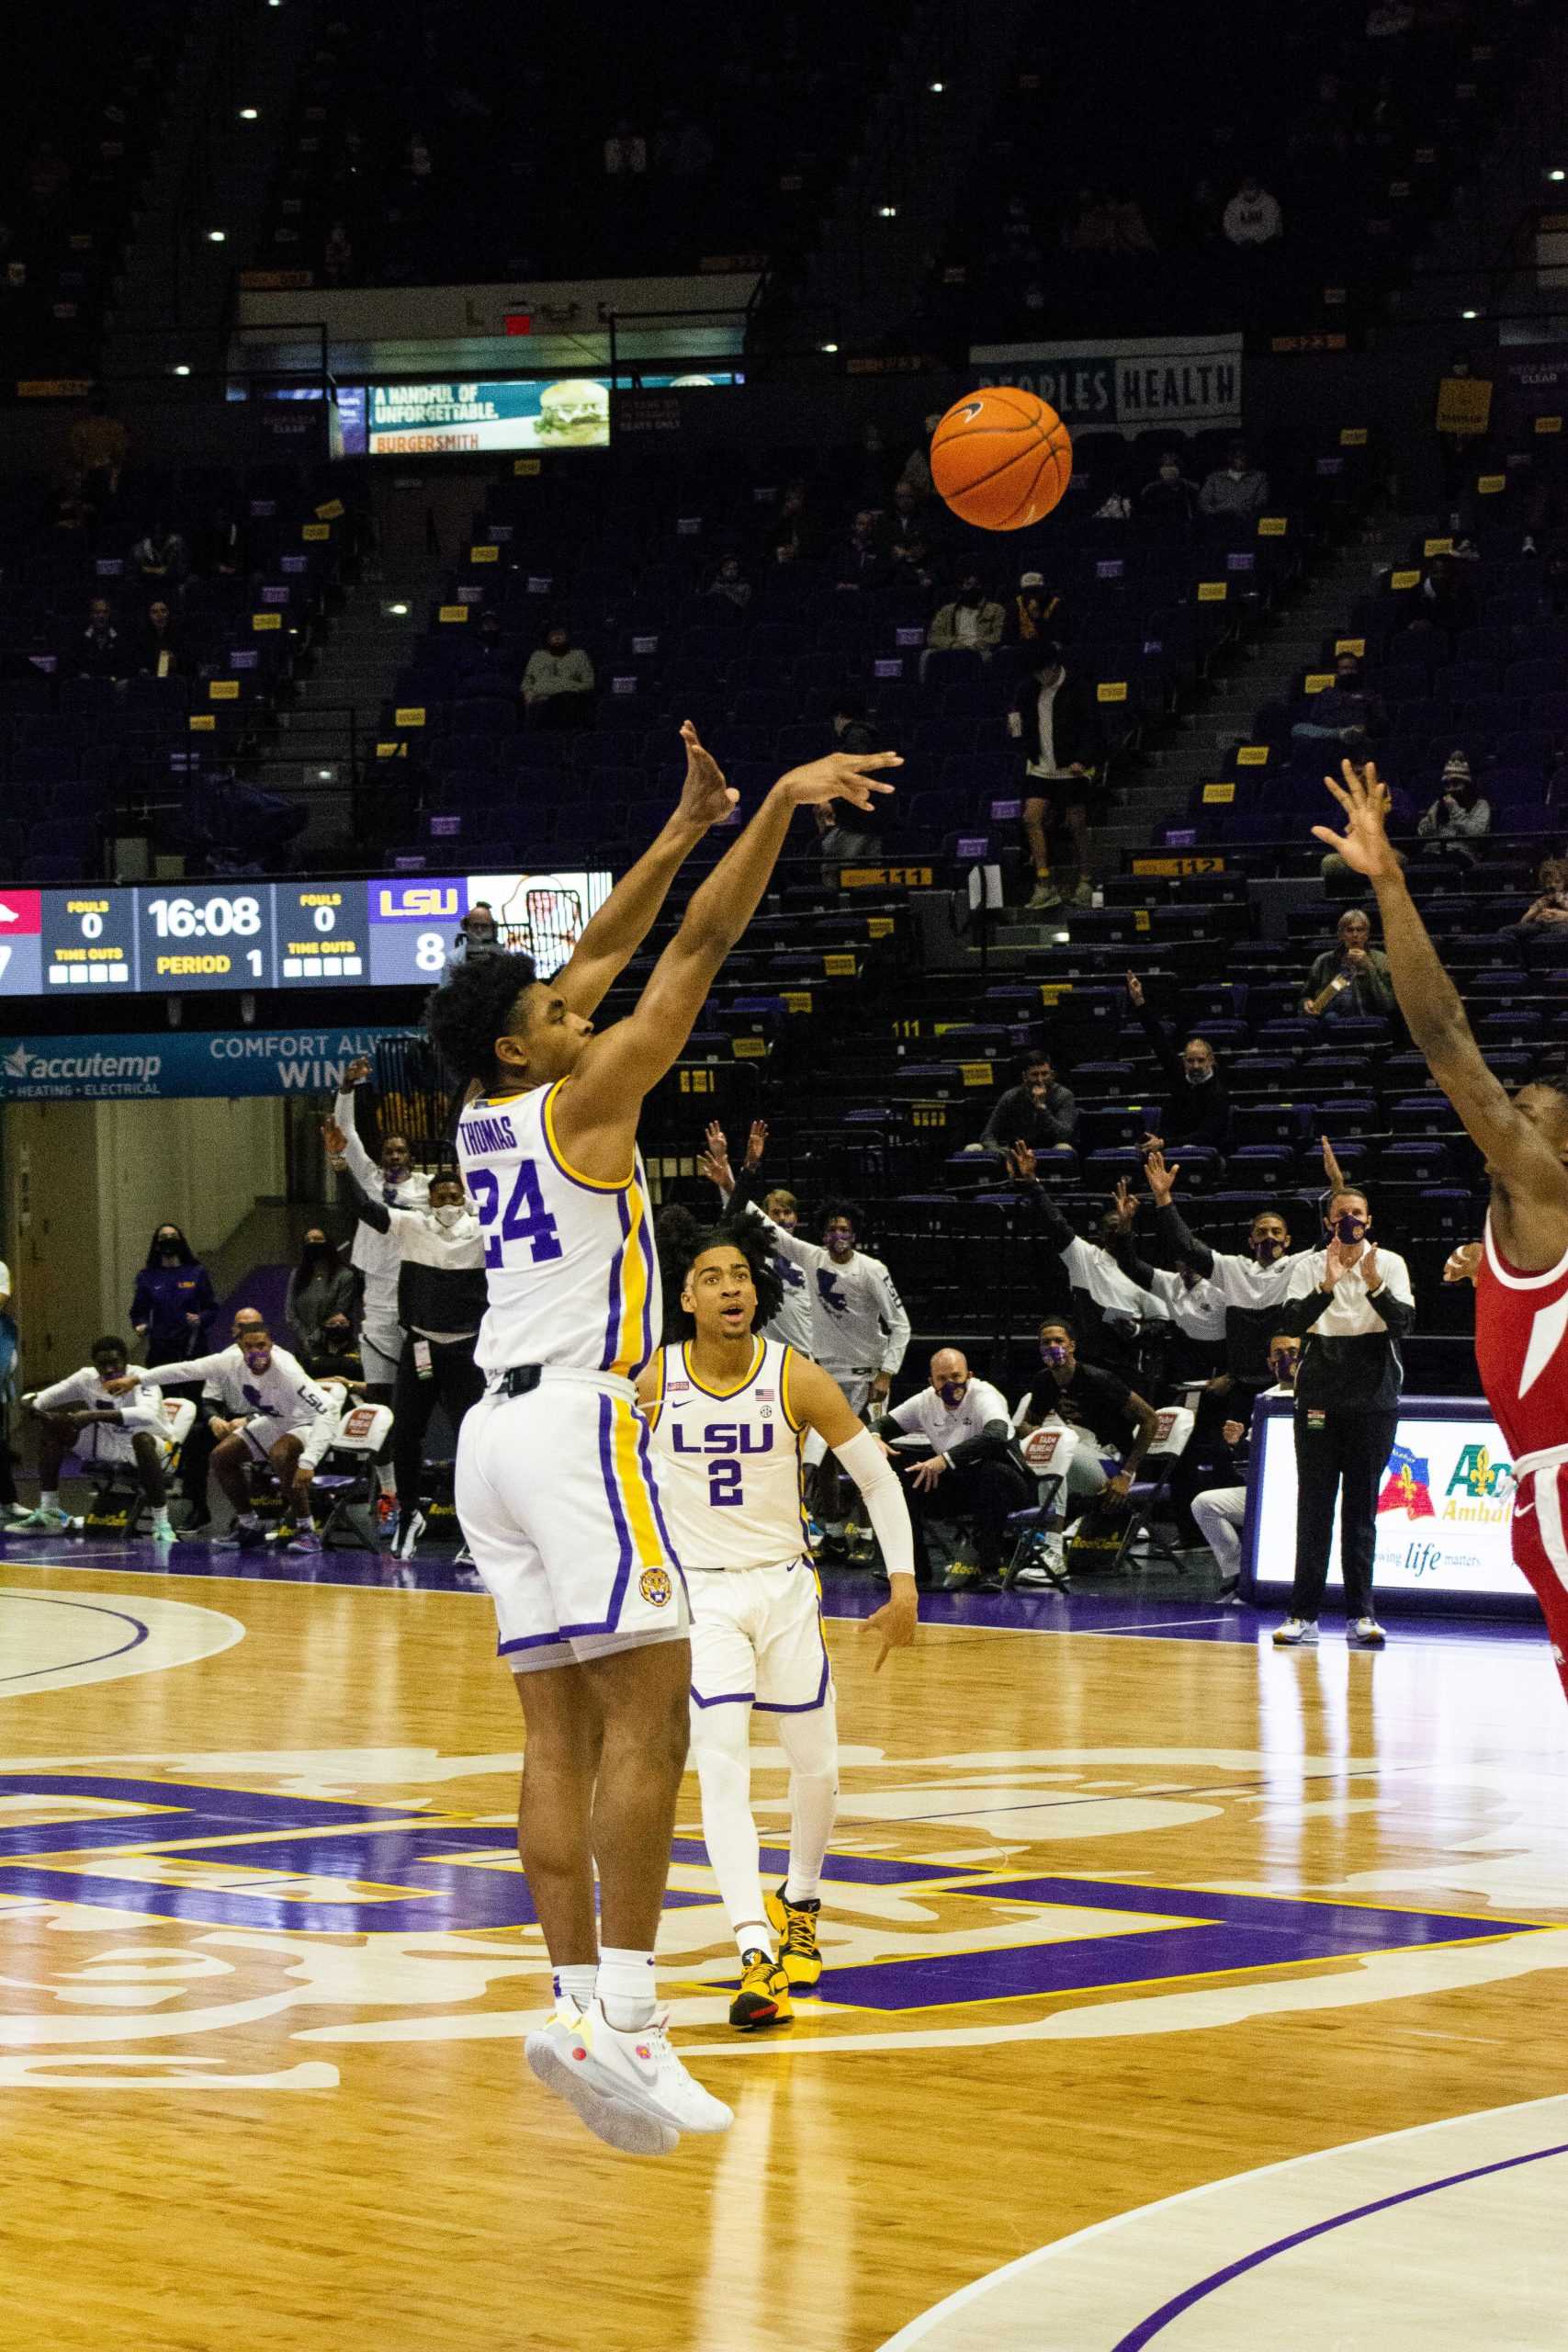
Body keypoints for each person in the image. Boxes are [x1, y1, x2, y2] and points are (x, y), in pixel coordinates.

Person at [425, 719, 897, 2154]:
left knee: (553, 1734)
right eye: (560, 1008)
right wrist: (776, 813)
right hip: (574, 1426)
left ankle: (571, 1998)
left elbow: (597, 954)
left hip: (486, 1446)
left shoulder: (484, 1101)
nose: (585, 1005)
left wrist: (682, 817)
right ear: (529, 1044)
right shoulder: (585, 1096)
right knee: (653, 1718)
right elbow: (685, 954)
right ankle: (629, 2015)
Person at [1313, 757, 1568, 1703]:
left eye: (1534, 1112)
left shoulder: (1545, 1190)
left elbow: (1449, 1040)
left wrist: (1389, 884)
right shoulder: (1516, 1233)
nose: (1514, 1115)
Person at [642, 1209, 916, 2030]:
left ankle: (800, 1899)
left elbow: (875, 1479)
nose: (733, 1287)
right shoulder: (649, 1383)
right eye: (714, 1278)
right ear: (687, 1298)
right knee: (718, 1767)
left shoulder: (794, 1375)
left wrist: (900, 1583)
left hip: (787, 1587)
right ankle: (754, 1948)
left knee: (816, 1765)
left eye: (741, 1276)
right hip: (702, 1597)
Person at [1266, 1182, 1415, 1648]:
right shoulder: (1309, 1265)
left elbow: (1404, 1324)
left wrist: (1373, 1286)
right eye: (1341, 1212)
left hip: (1373, 1395)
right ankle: (1302, 1615)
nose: (1349, 1219)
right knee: (1313, 1506)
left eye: (1357, 1213)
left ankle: (1361, 1617)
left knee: (1360, 1509)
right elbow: (1291, 1322)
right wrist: (1327, 1285)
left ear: (1368, 1222)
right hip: (1319, 1393)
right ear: (1330, 1221)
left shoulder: (1389, 1263)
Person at [327, 1142, 487, 1561]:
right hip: (421, 1348)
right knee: (406, 1433)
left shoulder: (485, 1231)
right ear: (429, 1200)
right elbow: (366, 1208)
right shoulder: (412, 1225)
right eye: (441, 1197)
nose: (448, 1203)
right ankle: (409, 1512)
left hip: (466, 1350)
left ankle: (479, 1529)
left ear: (464, 1200)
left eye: (455, 1197)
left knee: (472, 1440)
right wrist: (341, 1166)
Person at [117, 1321, 339, 1555]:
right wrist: (137, 1380)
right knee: (221, 1457)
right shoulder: (229, 1361)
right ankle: (249, 1526)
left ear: (271, 1344)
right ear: (240, 1347)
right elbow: (187, 1369)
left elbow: (328, 1410)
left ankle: (307, 1531)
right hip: (277, 1420)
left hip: (309, 1422)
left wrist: (309, 1461)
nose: (256, 1352)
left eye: (261, 1345)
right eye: (249, 1346)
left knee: (280, 1454)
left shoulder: (287, 1370)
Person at [873, 1348, 1032, 1592]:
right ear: (932, 1381)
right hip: (963, 1487)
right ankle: (915, 1569)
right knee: (904, 1477)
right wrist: (874, 1436)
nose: (950, 1384)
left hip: (1011, 1489)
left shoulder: (984, 1394)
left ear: (969, 1376)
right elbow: (881, 1424)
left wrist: (944, 1460)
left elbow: (997, 1435)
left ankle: (991, 1570)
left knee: (992, 1474)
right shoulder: (926, 1401)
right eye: (942, 1379)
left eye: (956, 1377)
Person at [1007, 1142, 1169, 1382]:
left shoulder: (1144, 1273)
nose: (1116, 1234)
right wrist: (1033, 1182)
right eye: (1111, 1230)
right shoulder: (1086, 1257)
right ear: (1100, 1236)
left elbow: (1161, 1323)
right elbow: (1056, 1224)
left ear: (1131, 1233)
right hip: (1090, 1362)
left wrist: (1137, 1330)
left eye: (1122, 1228)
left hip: (1128, 1365)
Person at [16, 1338, 177, 1542]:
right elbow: (41, 1399)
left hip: (156, 1446)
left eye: (115, 1363)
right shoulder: (86, 1378)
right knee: (54, 1427)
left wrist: (92, 1416)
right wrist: (30, 1405)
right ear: (94, 1364)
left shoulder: (142, 1377)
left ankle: (162, 1523)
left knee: (141, 1440)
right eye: (102, 1364)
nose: (109, 1369)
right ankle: (50, 1510)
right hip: (109, 1442)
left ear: (126, 1361)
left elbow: (147, 1415)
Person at [1018, 1317, 1160, 1533]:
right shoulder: (1043, 1381)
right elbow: (1027, 1424)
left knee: (1054, 1451)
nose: (1053, 1347)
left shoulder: (1099, 1379)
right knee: (1040, 1451)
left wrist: (1127, 1475)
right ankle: (1037, 1531)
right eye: (1046, 1343)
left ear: (1072, 1346)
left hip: (1114, 1464)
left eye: (1059, 1341)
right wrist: (1033, 1431)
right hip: (1080, 1457)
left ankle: (1052, 1544)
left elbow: (1150, 1419)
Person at [1190, 1333, 1300, 1597]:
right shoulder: (1265, 1399)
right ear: (1269, 1362)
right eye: (1278, 1353)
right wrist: (1237, 1442)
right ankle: (1238, 1573)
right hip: (1268, 1491)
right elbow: (1250, 1454)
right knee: (1205, 1504)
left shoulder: (1323, 1395)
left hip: (1308, 1492)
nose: (1285, 1359)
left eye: (1293, 1352)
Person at [697, 1121, 815, 1356]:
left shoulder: (808, 1254)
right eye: (776, 1213)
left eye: (787, 1212)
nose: (782, 1218)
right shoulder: (759, 1252)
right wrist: (725, 1165)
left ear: (797, 1217)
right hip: (769, 1355)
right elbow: (737, 1208)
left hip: (807, 1355)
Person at [1009, 641, 1108, 910]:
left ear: (1054, 666)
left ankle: (1086, 881)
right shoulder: (1026, 689)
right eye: (1035, 674)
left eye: (1043, 672)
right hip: (1041, 767)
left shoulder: (1079, 688)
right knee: (1031, 818)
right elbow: (1016, 723)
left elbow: (1092, 728)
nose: (1040, 678)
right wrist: (1025, 751)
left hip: (1072, 767)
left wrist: (1083, 759)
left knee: (1076, 823)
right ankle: (1044, 884)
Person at [1123, 974, 1231, 1154]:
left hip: (1205, 1154)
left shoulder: (1218, 1092)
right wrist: (1139, 1001)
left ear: (1211, 1060)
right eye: (1191, 1060)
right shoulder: (1179, 1076)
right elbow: (1159, 1041)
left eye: (1201, 1060)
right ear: (1184, 1062)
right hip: (1169, 1148)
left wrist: (1164, 1143)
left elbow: (1206, 1135)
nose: (1195, 1066)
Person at [814, 690, 890, 866]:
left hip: (857, 822)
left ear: (839, 716)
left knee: (835, 870)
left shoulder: (856, 737)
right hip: (871, 819)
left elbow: (859, 777)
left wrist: (833, 802)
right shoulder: (874, 738)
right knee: (868, 878)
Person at [130, 1224, 218, 1368]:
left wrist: (201, 1318)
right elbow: (138, 1312)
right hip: (161, 1348)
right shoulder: (146, 1277)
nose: (168, 1240)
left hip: (193, 1346)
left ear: (181, 1242)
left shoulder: (197, 1272)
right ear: (157, 1245)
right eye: (163, 1238)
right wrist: (141, 1325)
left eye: (173, 1237)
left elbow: (212, 1308)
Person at [975, 1050, 1077, 1155]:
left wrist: (1042, 1109)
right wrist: (1001, 1153)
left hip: (1049, 1151)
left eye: (1045, 1074)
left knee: (1064, 1147)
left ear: (1052, 1075)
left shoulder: (1064, 1095)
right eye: (1034, 1074)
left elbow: (1064, 1135)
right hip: (1016, 1152)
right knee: (973, 1148)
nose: (1040, 1080)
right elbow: (988, 1135)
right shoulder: (1011, 1096)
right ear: (1025, 1076)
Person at [1303, 905, 1396, 1019]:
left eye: (1360, 930)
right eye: (1350, 930)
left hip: (1372, 1020)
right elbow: (1306, 996)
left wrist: (1369, 967)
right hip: (1335, 1022)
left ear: (1367, 935)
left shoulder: (1381, 960)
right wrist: (1306, 1004)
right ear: (1340, 935)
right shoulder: (1324, 961)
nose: (1355, 935)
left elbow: (1388, 1004)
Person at [285, 1227, 357, 1360]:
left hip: (334, 1347)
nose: (312, 1243)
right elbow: (291, 1314)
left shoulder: (345, 1276)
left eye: (318, 1239)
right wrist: (305, 1339)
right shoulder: (297, 1275)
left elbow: (339, 1313)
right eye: (308, 1240)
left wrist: (314, 1339)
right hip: (303, 1348)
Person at [1291, 652, 1388, 749]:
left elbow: (1381, 722)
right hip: (1328, 734)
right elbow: (1314, 719)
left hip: (1355, 734)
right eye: (1345, 668)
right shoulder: (1326, 693)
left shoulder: (1370, 695)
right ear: (1337, 672)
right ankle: (1339, 734)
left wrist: (1364, 728)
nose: (1349, 671)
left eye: (1352, 668)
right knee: (1298, 728)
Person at [1416, 752, 1490, 862]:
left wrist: (1455, 811)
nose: (1450, 789)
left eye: (1455, 784)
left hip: (1461, 853)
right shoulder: (1439, 803)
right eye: (1447, 785)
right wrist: (1431, 820)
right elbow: (1422, 834)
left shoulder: (1480, 805)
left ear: (1467, 786)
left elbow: (1477, 835)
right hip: (1432, 852)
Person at [522, 626, 595, 727]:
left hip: (569, 701)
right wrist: (528, 694)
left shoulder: (579, 655)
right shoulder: (537, 656)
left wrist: (561, 687)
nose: (557, 638)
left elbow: (589, 684)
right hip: (540, 702)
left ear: (567, 638)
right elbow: (527, 681)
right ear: (547, 639)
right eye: (553, 635)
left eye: (560, 635)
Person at [926, 576, 1004, 666]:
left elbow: (997, 636)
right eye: (968, 584)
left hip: (980, 652)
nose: (972, 588)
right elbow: (932, 637)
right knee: (927, 655)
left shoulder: (996, 610)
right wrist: (954, 644)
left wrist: (975, 644)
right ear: (961, 587)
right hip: (951, 651)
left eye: (976, 584)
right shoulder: (946, 611)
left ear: (982, 586)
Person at [1199, 442, 1270, 517]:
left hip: (1247, 519)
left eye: (1245, 455)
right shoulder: (1214, 478)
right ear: (1230, 458)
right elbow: (1203, 501)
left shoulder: (1259, 477)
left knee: (1274, 525)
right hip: (1218, 519)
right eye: (1238, 456)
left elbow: (1261, 501)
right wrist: (1214, 513)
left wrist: (1245, 511)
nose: (1243, 459)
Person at [1136, 450, 1201, 527]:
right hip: (1160, 527)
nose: (1169, 471)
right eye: (1165, 466)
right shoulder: (1150, 489)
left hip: (1184, 526)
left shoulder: (1189, 486)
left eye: (1172, 466)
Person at [1221, 178, 1283, 250]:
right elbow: (1229, 226)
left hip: (1266, 244)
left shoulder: (1270, 202)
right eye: (1246, 185)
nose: (1249, 187)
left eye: (1252, 185)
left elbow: (1271, 227)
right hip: (1240, 245)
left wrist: (1257, 240)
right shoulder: (1233, 204)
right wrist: (1240, 240)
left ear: (1258, 187)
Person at [78, 598, 125, 683]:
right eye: (97, 612)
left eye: (105, 612)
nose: (101, 616)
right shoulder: (81, 638)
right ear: (91, 614)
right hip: (87, 685)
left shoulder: (118, 637)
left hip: (113, 685)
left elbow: (124, 665)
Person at [137, 598, 186, 679]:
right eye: (155, 612)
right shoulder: (142, 637)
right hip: (150, 679)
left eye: (163, 611)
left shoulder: (178, 634)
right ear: (148, 616)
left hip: (174, 678)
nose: (160, 615)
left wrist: (176, 661)